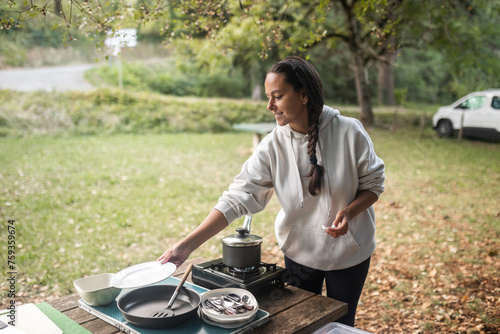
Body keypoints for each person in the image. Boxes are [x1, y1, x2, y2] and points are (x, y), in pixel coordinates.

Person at [158, 56, 385, 327]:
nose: (269, 106)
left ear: (303, 94)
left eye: (277, 96)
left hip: (350, 254)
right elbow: (237, 198)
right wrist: (186, 246)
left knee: (343, 324)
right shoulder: (272, 145)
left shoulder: (349, 132)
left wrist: (348, 211)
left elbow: (373, 185)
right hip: (301, 254)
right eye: (268, 97)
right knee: (300, 324)